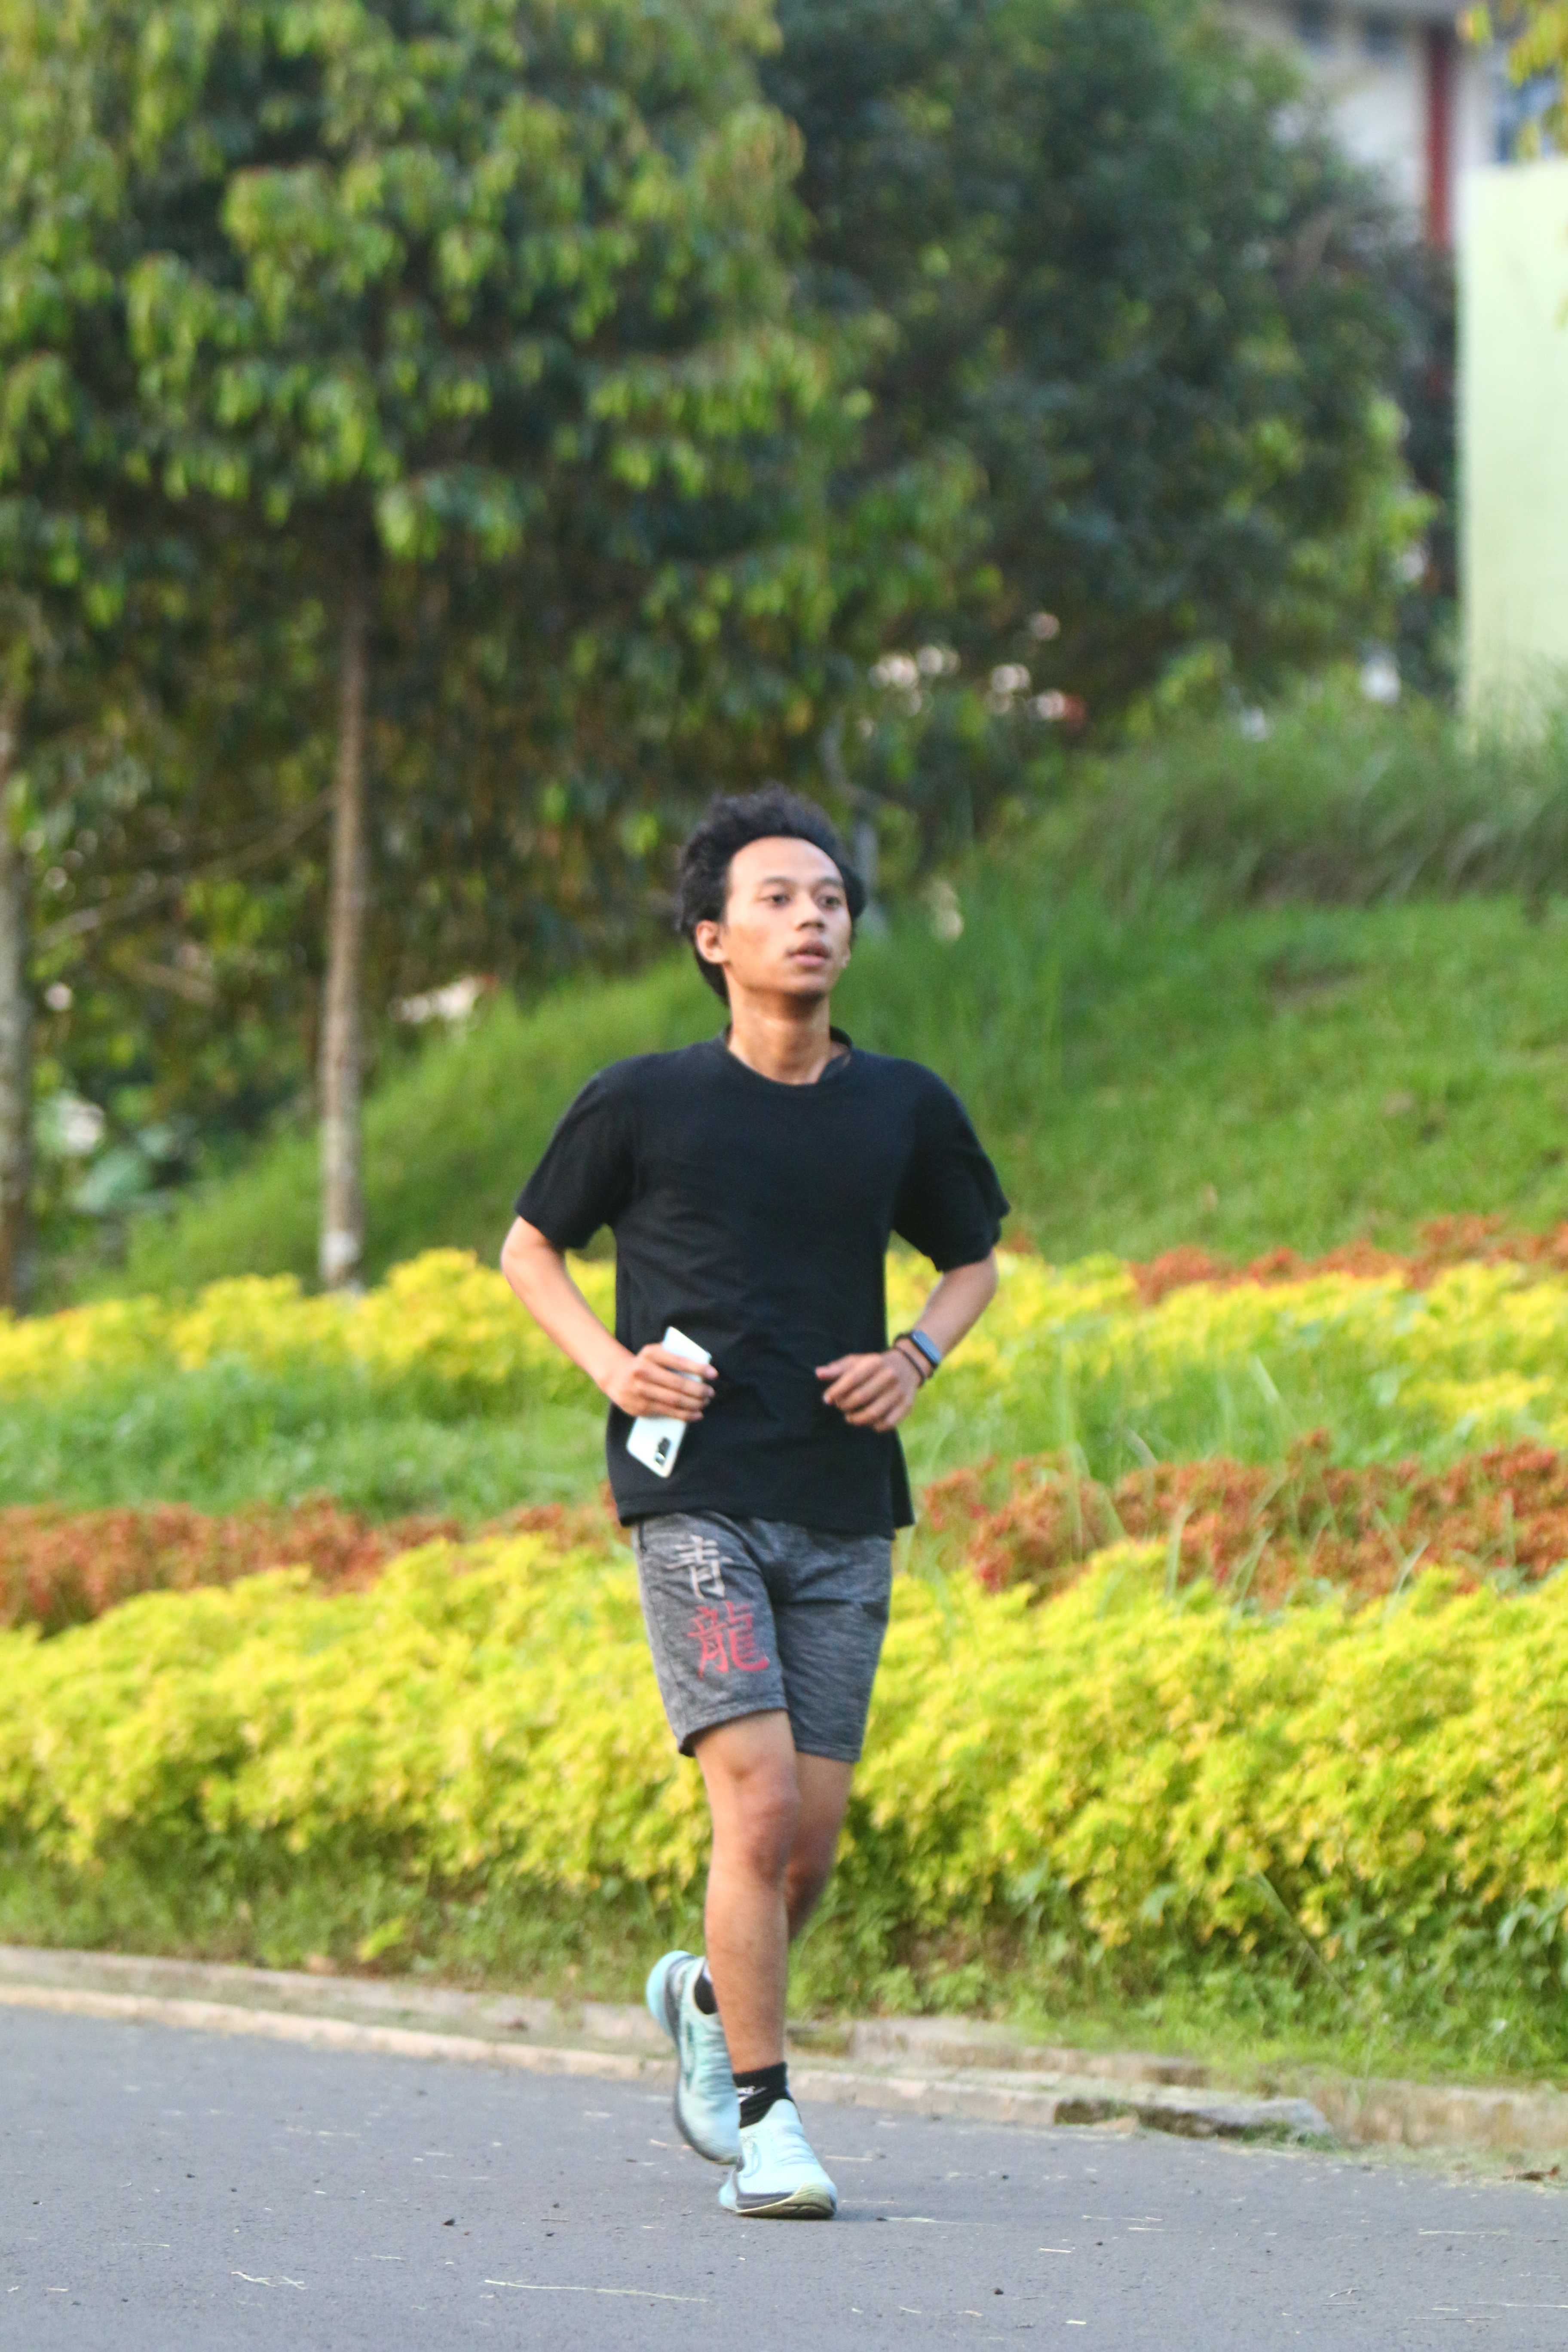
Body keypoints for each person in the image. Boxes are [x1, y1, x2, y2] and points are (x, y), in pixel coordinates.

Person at [500, 786, 1006, 2219]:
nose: (813, 919)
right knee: (761, 1804)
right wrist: (613, 1368)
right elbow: (529, 1248)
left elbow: (972, 1261)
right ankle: (768, 2127)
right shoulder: (643, 1101)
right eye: (778, 899)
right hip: (696, 1493)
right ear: (713, 937)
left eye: (831, 899)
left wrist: (915, 1357)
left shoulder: (902, 1106)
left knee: (809, 1850)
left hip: (844, 1500)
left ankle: (707, 1999)